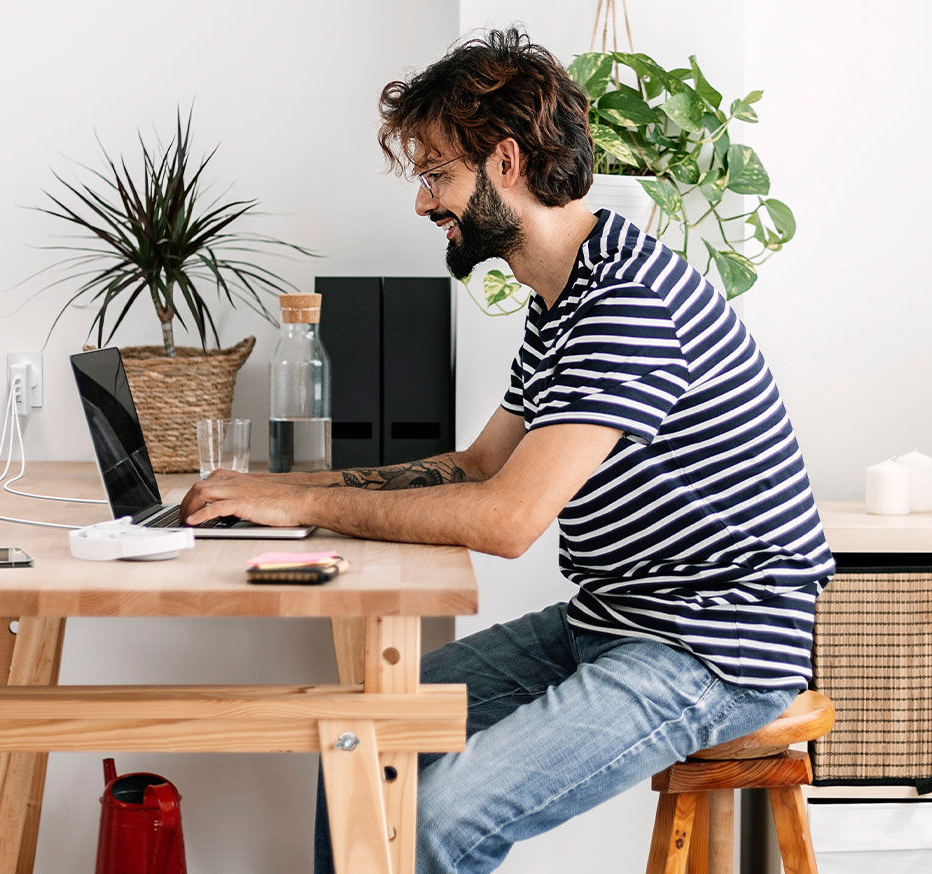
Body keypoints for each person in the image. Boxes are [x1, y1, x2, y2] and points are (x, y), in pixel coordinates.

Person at [177, 28, 833, 874]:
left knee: (437, 820)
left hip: (710, 647)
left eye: (436, 175)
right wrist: (280, 487)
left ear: (507, 163)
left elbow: (509, 518)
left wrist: (300, 505)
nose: (423, 204)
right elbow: (483, 463)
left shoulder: (628, 303)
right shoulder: (565, 293)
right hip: (620, 621)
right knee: (362, 734)